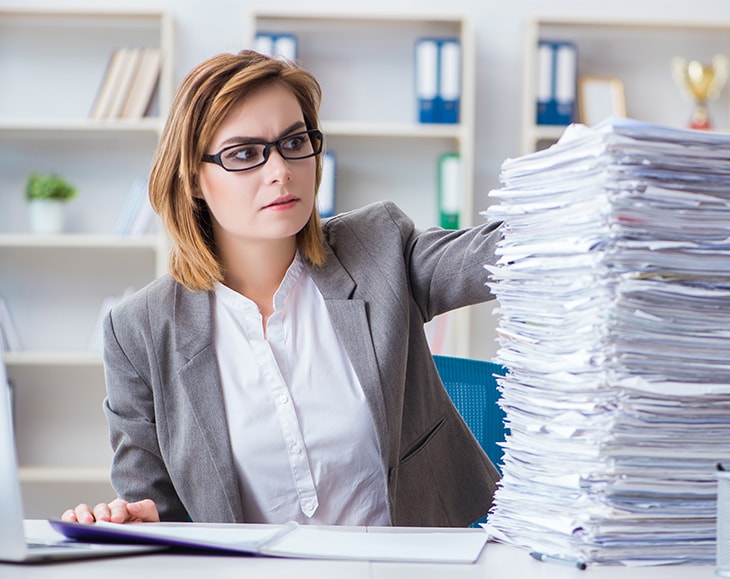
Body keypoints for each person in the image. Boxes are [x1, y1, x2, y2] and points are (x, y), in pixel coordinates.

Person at [61, 50, 501, 527]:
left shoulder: (379, 247)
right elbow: (158, 511)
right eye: (245, 154)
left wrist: (579, 190)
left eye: (295, 142)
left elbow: (498, 255)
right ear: (192, 180)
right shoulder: (139, 331)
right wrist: (133, 522)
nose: (281, 171)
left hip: (408, 574)